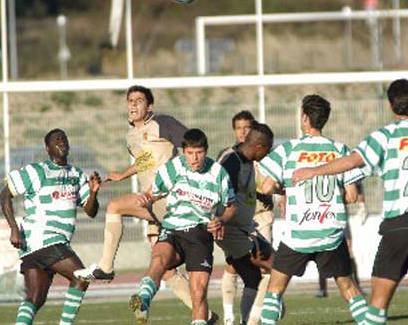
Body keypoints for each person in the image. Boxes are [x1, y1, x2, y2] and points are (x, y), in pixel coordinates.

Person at [292, 79, 408, 325]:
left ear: (391, 105)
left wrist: (314, 171)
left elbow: (352, 161)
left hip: (400, 223)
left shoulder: (386, 136)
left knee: (378, 304)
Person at [74, 86, 218, 322]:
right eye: (130, 100)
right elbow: (147, 160)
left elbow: (189, 145)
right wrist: (124, 174)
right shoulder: (131, 136)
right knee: (166, 268)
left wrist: (171, 181)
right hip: (152, 200)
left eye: (139, 101)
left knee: (115, 206)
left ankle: (106, 266)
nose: (133, 105)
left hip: (169, 199)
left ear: (149, 106)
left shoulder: (162, 123)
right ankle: (207, 316)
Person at [259, 95, 368, 325]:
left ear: (305, 117)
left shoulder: (289, 149)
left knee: (274, 290)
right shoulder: (340, 150)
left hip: (299, 234)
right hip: (330, 233)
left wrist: (286, 190)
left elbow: (266, 186)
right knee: (349, 287)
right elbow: (352, 196)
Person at [128, 128, 237, 325]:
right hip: (173, 228)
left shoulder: (218, 173)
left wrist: (221, 220)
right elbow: (154, 192)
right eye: (190, 153)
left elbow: (230, 207)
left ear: (206, 151)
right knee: (159, 259)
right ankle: (143, 300)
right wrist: (147, 197)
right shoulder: (174, 167)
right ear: (184, 152)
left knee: (198, 292)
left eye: (199, 153)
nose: (195, 158)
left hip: (200, 233)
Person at [0, 128, 102, 325]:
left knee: (35, 298)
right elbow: (4, 195)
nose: (62, 142)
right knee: (81, 277)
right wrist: (13, 227)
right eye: (56, 140)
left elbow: (91, 211)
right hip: (41, 237)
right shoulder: (36, 171)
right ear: (48, 148)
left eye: (64, 139)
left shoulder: (76, 175)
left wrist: (94, 193)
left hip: (43, 245)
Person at [217, 111, 275, 325]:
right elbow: (219, 192)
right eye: (267, 149)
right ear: (259, 146)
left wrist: (259, 195)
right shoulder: (231, 161)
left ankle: (245, 321)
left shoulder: (247, 159)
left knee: (253, 278)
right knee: (276, 268)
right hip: (232, 230)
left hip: (244, 228)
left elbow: (240, 190)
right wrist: (220, 222)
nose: (268, 153)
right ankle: (254, 319)